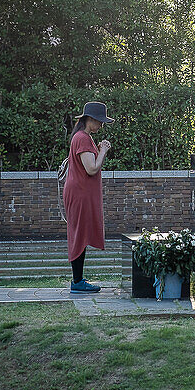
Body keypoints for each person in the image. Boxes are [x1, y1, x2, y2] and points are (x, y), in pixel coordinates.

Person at [63, 101, 114, 293]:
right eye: (100, 121)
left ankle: (78, 280)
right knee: (78, 235)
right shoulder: (83, 138)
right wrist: (103, 151)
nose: (101, 125)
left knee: (81, 234)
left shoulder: (84, 137)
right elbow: (91, 168)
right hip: (80, 193)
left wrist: (99, 150)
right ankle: (77, 282)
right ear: (90, 119)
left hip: (80, 192)